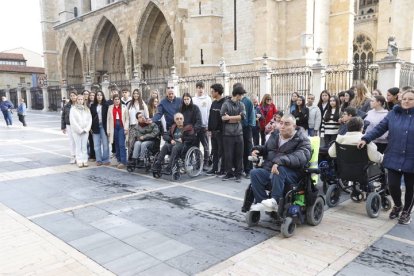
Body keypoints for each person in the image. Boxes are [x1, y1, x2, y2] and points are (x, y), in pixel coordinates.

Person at [358, 89, 414, 225]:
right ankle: (398, 205)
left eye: (410, 99)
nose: (406, 101)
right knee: (392, 184)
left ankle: (406, 211)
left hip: (412, 157)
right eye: (405, 98)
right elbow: (379, 128)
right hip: (394, 154)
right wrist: (365, 139)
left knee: (410, 187)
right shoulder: (393, 113)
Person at [250, 114, 311, 210]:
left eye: (287, 124)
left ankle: (275, 200)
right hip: (270, 169)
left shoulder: (302, 139)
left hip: (292, 173)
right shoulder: (275, 135)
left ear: (294, 126)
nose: (282, 126)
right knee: (255, 173)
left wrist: (279, 162)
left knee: (279, 168)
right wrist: (258, 150)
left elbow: (301, 156)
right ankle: (262, 203)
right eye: (281, 123)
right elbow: (267, 148)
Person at [220, 86, 246, 182]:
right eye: (242, 95)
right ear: (238, 95)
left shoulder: (242, 104)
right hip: (228, 134)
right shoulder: (225, 104)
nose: (242, 97)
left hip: (239, 133)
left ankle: (238, 174)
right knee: (228, 155)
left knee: (239, 154)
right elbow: (223, 118)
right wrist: (236, 118)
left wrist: (230, 118)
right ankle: (229, 173)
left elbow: (242, 117)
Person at [235, 83, 255, 179]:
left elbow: (252, 114)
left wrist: (250, 125)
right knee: (239, 149)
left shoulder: (247, 101)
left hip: (247, 128)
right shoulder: (234, 101)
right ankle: (240, 168)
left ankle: (249, 170)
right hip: (237, 128)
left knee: (248, 149)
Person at [207, 83, 226, 176]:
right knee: (214, 151)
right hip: (213, 132)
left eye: (212, 91)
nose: (211, 93)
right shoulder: (213, 103)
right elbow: (211, 117)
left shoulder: (225, 103)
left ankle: (222, 169)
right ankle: (214, 168)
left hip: (221, 132)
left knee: (221, 151)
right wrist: (209, 129)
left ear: (217, 92)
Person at [192, 81, 212, 168]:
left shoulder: (207, 99)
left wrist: (209, 125)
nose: (200, 89)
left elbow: (209, 113)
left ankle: (206, 162)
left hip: (204, 126)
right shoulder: (193, 99)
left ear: (204, 89)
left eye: (202, 88)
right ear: (196, 88)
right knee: (195, 145)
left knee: (206, 145)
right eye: (199, 88)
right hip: (195, 127)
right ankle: (197, 162)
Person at [69, 94, 92, 168]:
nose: (80, 101)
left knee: (84, 146)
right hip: (76, 131)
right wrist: (79, 129)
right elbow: (72, 121)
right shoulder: (73, 109)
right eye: (78, 99)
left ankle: (85, 160)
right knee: (78, 146)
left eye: (81, 99)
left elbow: (89, 120)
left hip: (85, 131)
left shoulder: (87, 109)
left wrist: (86, 129)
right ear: (77, 100)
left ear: (83, 100)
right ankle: (79, 160)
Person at [107, 95, 129, 169]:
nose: (117, 101)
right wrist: (108, 130)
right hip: (114, 127)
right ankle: (119, 160)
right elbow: (108, 119)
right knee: (116, 144)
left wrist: (126, 128)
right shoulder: (110, 107)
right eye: (115, 99)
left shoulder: (124, 107)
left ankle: (123, 161)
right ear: (113, 100)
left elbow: (127, 119)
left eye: (118, 99)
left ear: (120, 100)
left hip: (121, 126)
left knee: (121, 144)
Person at [127, 89, 149, 157]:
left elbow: (147, 115)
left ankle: (139, 158)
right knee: (131, 143)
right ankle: (130, 158)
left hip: (140, 126)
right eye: (134, 93)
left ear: (139, 94)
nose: (136, 95)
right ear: (132, 95)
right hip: (132, 126)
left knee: (139, 142)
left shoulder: (142, 103)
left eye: (137, 93)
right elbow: (127, 116)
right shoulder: (129, 104)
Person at [90, 91, 110, 166]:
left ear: (103, 96)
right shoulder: (92, 106)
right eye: (97, 95)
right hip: (95, 127)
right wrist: (90, 127)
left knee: (105, 144)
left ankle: (106, 159)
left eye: (100, 95)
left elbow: (109, 117)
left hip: (104, 127)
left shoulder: (106, 105)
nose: (99, 96)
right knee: (96, 145)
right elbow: (90, 117)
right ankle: (98, 160)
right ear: (96, 97)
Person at [61, 90, 78, 164]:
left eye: (74, 95)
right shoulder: (67, 106)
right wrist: (63, 127)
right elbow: (63, 116)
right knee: (71, 141)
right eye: (71, 96)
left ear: (76, 96)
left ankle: (78, 156)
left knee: (77, 141)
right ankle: (73, 156)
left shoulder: (80, 104)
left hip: (77, 125)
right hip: (69, 125)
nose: (72, 97)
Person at [86, 91, 96, 161]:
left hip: (95, 125)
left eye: (93, 95)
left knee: (96, 142)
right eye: (90, 95)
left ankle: (95, 155)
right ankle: (92, 155)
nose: (92, 96)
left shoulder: (96, 104)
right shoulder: (87, 105)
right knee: (91, 141)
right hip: (88, 125)